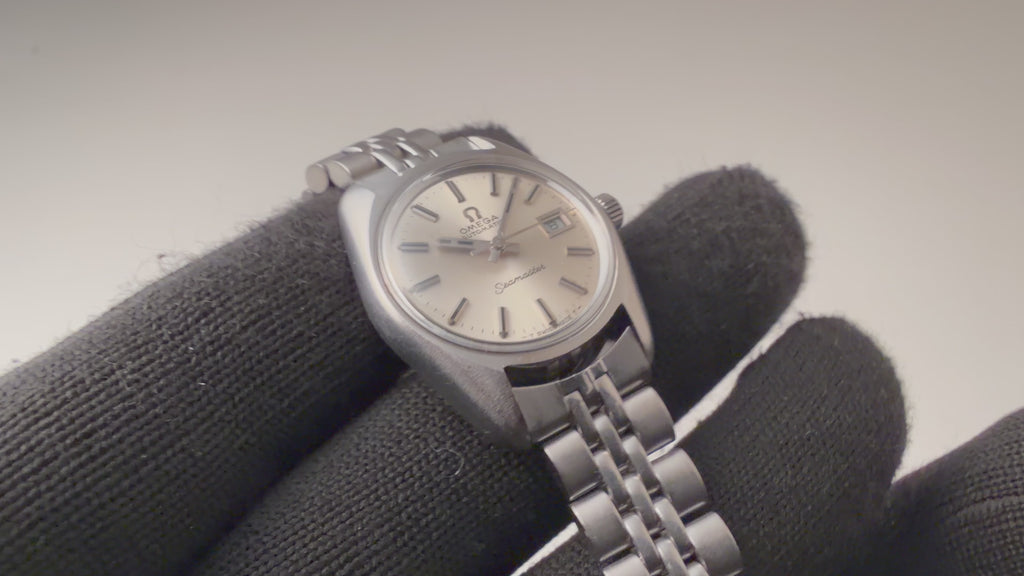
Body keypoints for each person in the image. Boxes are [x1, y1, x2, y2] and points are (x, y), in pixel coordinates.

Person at [0, 126, 1019, 576]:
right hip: (511, 359)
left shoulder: (541, 228)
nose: (493, 246)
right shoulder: (402, 272)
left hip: (590, 328)